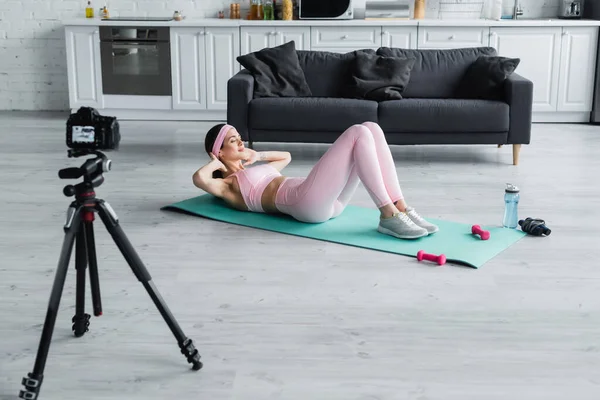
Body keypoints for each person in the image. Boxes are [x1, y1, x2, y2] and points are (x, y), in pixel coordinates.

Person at [192, 122, 438, 239]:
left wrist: (259, 156)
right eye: (233, 140)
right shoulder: (228, 186)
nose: (241, 142)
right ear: (219, 152)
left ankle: (401, 207)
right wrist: (216, 162)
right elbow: (199, 178)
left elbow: (286, 157)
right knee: (358, 132)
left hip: (329, 202)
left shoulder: (253, 167)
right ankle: (388, 215)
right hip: (304, 204)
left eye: (238, 137)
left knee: (372, 127)